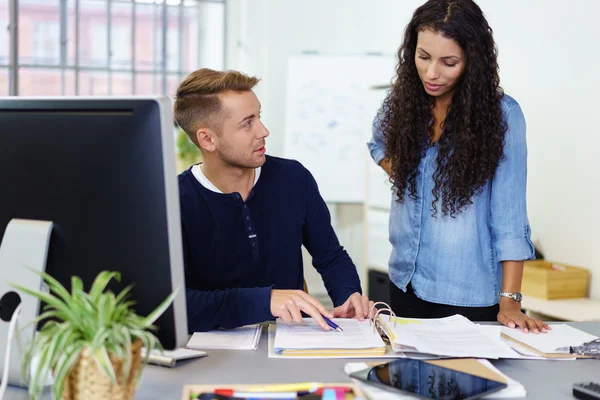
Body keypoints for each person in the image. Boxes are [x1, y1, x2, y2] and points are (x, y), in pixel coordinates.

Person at [368, 0, 549, 333]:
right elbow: (377, 144)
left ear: (472, 61)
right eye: (423, 57)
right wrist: (407, 175)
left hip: (465, 294)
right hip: (404, 281)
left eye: (448, 62)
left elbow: (510, 219)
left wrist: (510, 302)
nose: (432, 73)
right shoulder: (401, 101)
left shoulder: (504, 117)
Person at [174, 68, 372, 333]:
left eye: (259, 117)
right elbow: (177, 304)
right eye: (247, 123)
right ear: (207, 139)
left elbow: (331, 256)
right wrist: (264, 300)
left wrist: (348, 296)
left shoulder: (293, 178)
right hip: (214, 352)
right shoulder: (176, 202)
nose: (264, 131)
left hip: (292, 343)